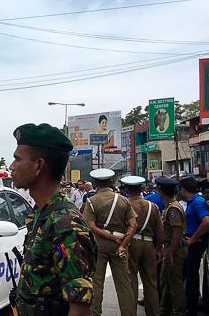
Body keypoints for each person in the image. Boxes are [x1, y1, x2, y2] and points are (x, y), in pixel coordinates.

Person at [10, 123, 95, 316]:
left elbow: (80, 309)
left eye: (17, 159)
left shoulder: (66, 225)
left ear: (38, 165)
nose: (12, 166)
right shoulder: (42, 213)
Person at [83, 168, 137, 316]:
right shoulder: (123, 200)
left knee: (97, 283)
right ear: (111, 182)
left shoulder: (91, 201)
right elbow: (133, 225)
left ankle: (95, 313)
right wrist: (122, 244)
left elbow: (91, 226)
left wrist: (111, 238)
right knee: (124, 284)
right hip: (120, 245)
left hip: (98, 246)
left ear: (95, 183)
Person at [120, 176, 162, 316]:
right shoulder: (152, 206)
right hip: (149, 243)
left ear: (126, 189)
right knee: (151, 282)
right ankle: (154, 312)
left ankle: (130, 312)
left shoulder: (124, 204)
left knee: (131, 280)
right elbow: (160, 230)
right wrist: (159, 249)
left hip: (131, 243)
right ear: (142, 189)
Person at [178, 177, 209, 316]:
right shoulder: (192, 202)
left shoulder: (197, 202)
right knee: (190, 275)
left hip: (196, 244)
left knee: (192, 276)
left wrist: (194, 238)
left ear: (183, 190)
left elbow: (206, 222)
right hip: (192, 242)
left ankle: (192, 308)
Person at [157, 177, 187, 316]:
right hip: (169, 248)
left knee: (175, 283)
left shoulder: (173, 209)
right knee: (165, 280)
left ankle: (178, 312)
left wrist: (170, 253)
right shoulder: (169, 207)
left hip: (174, 249)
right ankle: (165, 309)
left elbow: (176, 232)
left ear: (162, 191)